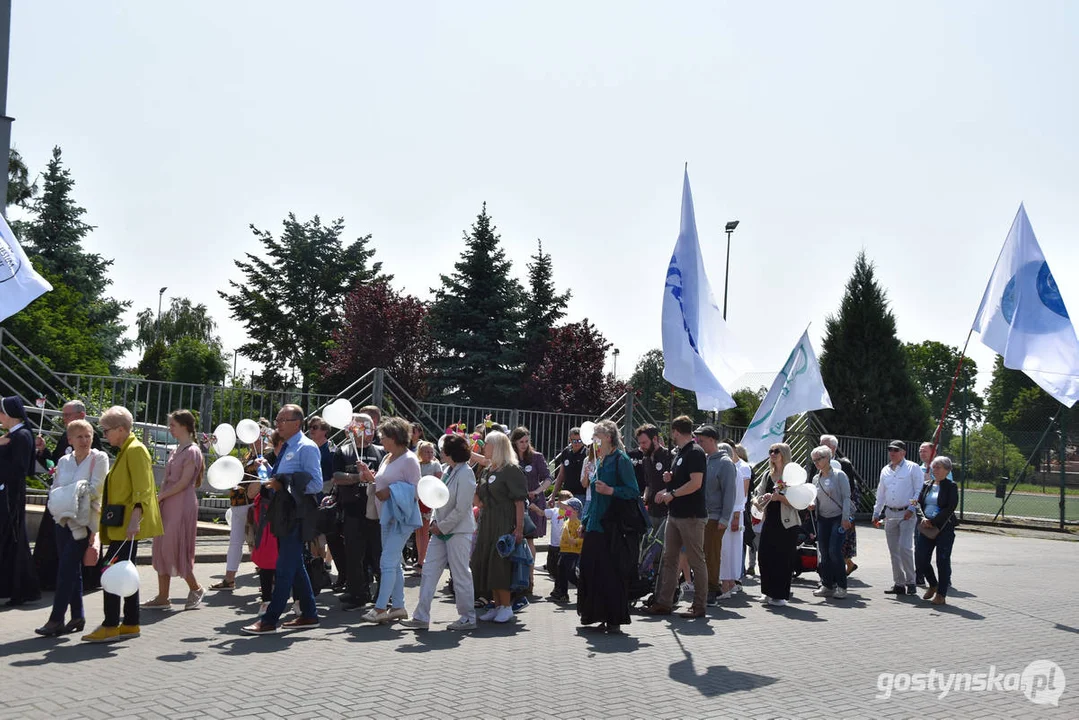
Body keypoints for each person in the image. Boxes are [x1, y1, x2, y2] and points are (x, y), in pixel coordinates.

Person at [82, 406, 164, 642]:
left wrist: (134, 522)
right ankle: (130, 622)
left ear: (120, 429)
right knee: (124, 572)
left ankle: (110, 625)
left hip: (127, 527)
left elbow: (142, 490)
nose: (104, 434)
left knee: (111, 571)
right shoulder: (128, 450)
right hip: (123, 525)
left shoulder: (135, 450)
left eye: (106, 430)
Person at [241, 404, 324, 635]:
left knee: (284, 568)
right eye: (277, 419)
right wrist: (269, 471)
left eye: (281, 420)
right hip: (283, 515)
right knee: (295, 566)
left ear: (297, 423)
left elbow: (316, 485)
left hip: (296, 516)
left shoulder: (306, 448)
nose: (277, 424)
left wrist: (283, 482)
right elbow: (283, 479)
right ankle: (309, 614)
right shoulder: (287, 446)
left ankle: (269, 619)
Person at [35, 418, 109, 636]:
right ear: (70, 440)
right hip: (62, 520)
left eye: (88, 436)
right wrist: (73, 492)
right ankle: (77, 616)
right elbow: (56, 489)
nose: (85, 440)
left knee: (65, 569)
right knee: (71, 569)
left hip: (84, 522)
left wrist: (71, 493)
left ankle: (56, 618)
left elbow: (96, 488)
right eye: (80, 436)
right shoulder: (65, 460)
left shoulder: (99, 458)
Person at [401, 434, 478, 631]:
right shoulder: (445, 470)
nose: (440, 452)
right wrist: (435, 520)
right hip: (440, 530)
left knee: (460, 573)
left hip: (458, 532)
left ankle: (468, 617)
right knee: (428, 571)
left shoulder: (466, 473)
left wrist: (441, 526)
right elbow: (437, 499)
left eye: (444, 449)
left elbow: (462, 508)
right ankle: (421, 616)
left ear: (452, 453)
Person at [577, 420, 643, 633]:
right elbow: (594, 497)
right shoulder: (600, 459)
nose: (594, 439)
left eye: (597, 435)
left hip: (612, 525)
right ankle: (595, 613)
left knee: (610, 572)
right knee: (590, 569)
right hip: (596, 524)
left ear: (607, 437)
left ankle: (613, 618)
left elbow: (633, 491)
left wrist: (612, 491)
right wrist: (585, 522)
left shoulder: (620, 460)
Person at [33, 400, 104, 592]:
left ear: (81, 415)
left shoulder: (89, 437)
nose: (63, 419)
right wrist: (42, 451)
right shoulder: (67, 436)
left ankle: (81, 581)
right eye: (63, 415)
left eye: (67, 415)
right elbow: (55, 464)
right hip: (62, 496)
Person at [142, 410, 206, 611]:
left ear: (184, 426)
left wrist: (162, 496)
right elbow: (168, 479)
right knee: (162, 546)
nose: (170, 429)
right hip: (169, 502)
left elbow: (184, 482)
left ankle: (196, 588)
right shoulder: (177, 449)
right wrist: (160, 497)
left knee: (175, 546)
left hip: (181, 503)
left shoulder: (192, 451)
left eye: (173, 425)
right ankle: (163, 597)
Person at [360, 417, 422, 624]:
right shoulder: (388, 457)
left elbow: (416, 490)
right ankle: (398, 607)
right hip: (386, 516)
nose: (381, 440)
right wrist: (370, 477)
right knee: (393, 563)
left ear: (394, 437)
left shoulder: (410, 459)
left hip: (401, 518)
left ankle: (380, 608)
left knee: (387, 562)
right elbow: (381, 481)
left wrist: (390, 491)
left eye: (383, 437)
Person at [648, 415, 709, 619]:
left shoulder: (695, 452)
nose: (671, 435)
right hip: (674, 514)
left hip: (691, 515)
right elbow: (683, 479)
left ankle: (699, 605)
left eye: (672, 432)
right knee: (669, 558)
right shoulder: (680, 453)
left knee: (696, 559)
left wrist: (671, 494)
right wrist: (670, 479)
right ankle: (664, 602)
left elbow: (696, 483)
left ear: (675, 431)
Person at [471, 431, 528, 624]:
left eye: (486, 444)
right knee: (487, 561)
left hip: (504, 521)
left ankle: (506, 606)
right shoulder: (488, 470)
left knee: (500, 563)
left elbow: (519, 501)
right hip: (488, 520)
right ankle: (497, 605)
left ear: (496, 447)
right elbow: (482, 501)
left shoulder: (510, 470)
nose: (483, 447)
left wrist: (518, 528)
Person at [329, 413, 384, 609]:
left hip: (376, 512)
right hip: (352, 510)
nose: (369, 433)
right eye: (363, 428)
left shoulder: (381, 451)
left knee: (378, 554)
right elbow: (336, 476)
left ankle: (384, 593)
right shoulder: (342, 451)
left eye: (371, 428)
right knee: (353, 554)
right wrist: (358, 477)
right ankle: (357, 592)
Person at [210, 419, 272, 591]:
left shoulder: (266, 455)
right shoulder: (247, 455)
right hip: (238, 503)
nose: (253, 440)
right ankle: (229, 578)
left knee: (259, 542)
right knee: (236, 542)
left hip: (254, 504)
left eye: (257, 436)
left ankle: (268, 581)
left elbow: (263, 479)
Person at [0, 396, 41, 607]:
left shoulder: (21, 436)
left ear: (9, 414)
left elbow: (19, 469)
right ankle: (17, 588)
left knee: (13, 541)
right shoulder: (13, 435)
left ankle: (20, 589)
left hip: (11, 496)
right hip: (7, 494)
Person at [753, 443, 801, 607]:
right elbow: (757, 495)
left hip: (787, 523)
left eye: (776, 451)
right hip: (769, 520)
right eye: (770, 451)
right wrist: (761, 499)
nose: (772, 454)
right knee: (765, 556)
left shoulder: (792, 477)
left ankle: (779, 595)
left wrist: (779, 498)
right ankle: (766, 592)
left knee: (782, 558)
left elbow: (798, 502)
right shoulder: (767, 474)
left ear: (784, 454)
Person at [873, 440, 923, 596]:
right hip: (890, 513)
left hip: (906, 514)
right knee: (893, 550)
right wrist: (876, 512)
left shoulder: (913, 468)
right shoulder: (885, 470)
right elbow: (881, 493)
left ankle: (911, 581)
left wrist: (911, 508)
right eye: (890, 450)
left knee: (905, 547)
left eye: (896, 450)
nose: (892, 453)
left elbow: (918, 490)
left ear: (903, 452)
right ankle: (899, 583)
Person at [694, 425, 736, 605]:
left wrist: (725, 518)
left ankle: (712, 589)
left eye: (701, 440)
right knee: (702, 553)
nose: (699, 443)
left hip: (715, 516)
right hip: (701, 515)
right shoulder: (704, 460)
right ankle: (706, 586)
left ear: (712, 440)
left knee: (711, 554)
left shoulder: (725, 463)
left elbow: (729, 493)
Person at [511, 426, 552, 594]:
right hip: (515, 502)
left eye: (527, 441)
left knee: (529, 539)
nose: (524, 444)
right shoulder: (510, 457)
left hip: (534, 502)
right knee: (515, 538)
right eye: (521, 441)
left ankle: (530, 579)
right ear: (514, 442)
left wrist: (537, 491)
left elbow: (548, 478)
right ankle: (515, 578)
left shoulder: (536, 457)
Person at [809, 445, 852, 600]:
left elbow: (847, 497)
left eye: (818, 459)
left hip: (838, 517)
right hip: (822, 518)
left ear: (827, 458)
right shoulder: (816, 478)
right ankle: (827, 585)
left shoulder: (840, 475)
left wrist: (845, 518)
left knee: (834, 551)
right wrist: (812, 504)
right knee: (824, 553)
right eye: (814, 460)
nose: (816, 463)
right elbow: (815, 496)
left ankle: (842, 586)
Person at [916, 456, 959, 606]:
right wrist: (923, 518)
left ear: (947, 470)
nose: (935, 470)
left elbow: (950, 507)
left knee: (942, 561)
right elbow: (918, 504)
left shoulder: (951, 486)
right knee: (921, 558)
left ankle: (941, 594)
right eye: (934, 467)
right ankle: (932, 584)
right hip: (925, 527)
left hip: (943, 528)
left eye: (939, 467)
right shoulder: (926, 484)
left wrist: (933, 521)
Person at [820, 434, 860, 576]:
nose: (821, 448)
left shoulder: (844, 464)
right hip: (823, 511)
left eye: (825, 445)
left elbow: (849, 491)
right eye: (820, 444)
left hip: (840, 511)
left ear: (834, 448)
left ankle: (839, 574)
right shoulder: (817, 463)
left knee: (839, 543)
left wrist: (847, 513)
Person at [719, 442, 747, 599]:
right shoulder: (731, 470)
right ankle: (728, 582)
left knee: (728, 550)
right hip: (728, 515)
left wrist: (736, 518)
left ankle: (726, 585)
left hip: (731, 517)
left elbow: (739, 498)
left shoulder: (735, 472)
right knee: (727, 550)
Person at [631, 424, 672, 532]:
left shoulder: (670, 456)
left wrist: (665, 491)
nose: (641, 446)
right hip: (651, 512)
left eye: (644, 442)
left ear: (655, 439)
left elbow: (680, 483)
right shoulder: (646, 459)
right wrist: (644, 497)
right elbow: (648, 484)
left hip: (668, 513)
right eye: (639, 443)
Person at [413, 439, 441, 572]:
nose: (429, 454)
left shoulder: (435, 465)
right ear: (420, 452)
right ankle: (420, 558)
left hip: (428, 500)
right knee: (418, 531)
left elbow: (438, 482)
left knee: (424, 531)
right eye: (426, 452)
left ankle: (422, 561)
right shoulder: (416, 465)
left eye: (431, 452)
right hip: (417, 499)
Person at [549, 497, 582, 602]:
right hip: (563, 550)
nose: (565, 509)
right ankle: (563, 594)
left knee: (570, 573)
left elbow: (583, 539)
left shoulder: (578, 524)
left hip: (573, 551)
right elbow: (559, 511)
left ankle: (582, 588)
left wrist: (575, 541)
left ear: (575, 510)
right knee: (561, 571)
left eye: (568, 507)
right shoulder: (567, 520)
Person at [550, 428, 588, 506]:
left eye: (579, 440)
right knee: (563, 517)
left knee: (576, 518)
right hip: (566, 494)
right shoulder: (566, 452)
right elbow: (561, 475)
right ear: (570, 440)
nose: (577, 443)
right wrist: (553, 495)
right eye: (574, 441)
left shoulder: (587, 453)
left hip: (581, 495)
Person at [543, 490, 572, 581]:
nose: (568, 505)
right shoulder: (554, 511)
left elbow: (569, 515)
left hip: (563, 546)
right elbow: (542, 512)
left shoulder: (569, 513)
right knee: (551, 567)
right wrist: (534, 508)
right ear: (559, 502)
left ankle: (559, 586)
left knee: (560, 569)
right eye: (566, 503)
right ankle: (557, 582)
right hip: (553, 544)